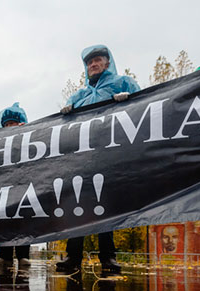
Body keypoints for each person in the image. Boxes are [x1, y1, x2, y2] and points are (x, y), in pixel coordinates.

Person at [56, 45, 140, 273]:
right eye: (89, 62)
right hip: (82, 160)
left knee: (106, 206)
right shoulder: (79, 95)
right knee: (77, 207)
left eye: (97, 60)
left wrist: (131, 101)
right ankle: (73, 257)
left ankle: (108, 258)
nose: (93, 65)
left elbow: (145, 109)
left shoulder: (124, 83)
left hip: (110, 155)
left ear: (107, 62)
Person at [0, 103, 32, 266]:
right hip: (4, 186)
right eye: (6, 125)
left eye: (12, 124)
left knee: (23, 219)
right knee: (4, 220)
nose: (9, 127)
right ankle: (5, 256)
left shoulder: (29, 137)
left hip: (23, 184)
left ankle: (23, 256)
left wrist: (28, 130)